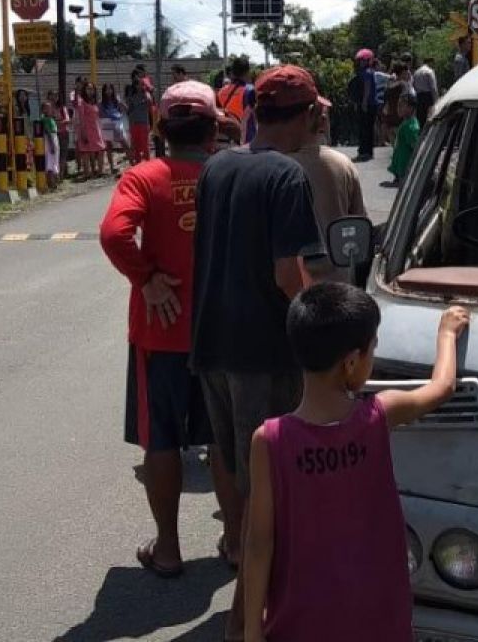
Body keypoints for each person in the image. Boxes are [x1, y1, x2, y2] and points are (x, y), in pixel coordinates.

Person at [243, 284, 471, 642]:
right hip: (377, 615)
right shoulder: (379, 416)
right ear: (351, 361)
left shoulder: (270, 440)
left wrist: (252, 630)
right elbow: (442, 387)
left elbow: (259, 543)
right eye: (372, 349)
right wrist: (446, 333)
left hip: (299, 624)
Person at [192, 64, 322, 641]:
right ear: (305, 115)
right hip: (263, 352)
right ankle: (249, 624)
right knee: (269, 489)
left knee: (242, 478)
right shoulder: (286, 176)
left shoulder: (217, 165)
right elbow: (287, 272)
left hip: (212, 345)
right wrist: (325, 324)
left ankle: (253, 606)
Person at [101, 80, 242, 578]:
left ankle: (167, 549)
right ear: (213, 130)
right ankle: (236, 542)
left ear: (159, 128)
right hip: (224, 332)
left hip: (159, 336)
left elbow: (114, 233)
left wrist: (147, 279)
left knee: (160, 438)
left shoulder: (143, 176)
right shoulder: (233, 174)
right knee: (223, 441)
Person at [288, 94, 367, 283]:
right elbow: (361, 223)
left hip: (293, 282)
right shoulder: (342, 164)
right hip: (339, 278)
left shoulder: (278, 166)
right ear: (321, 123)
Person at [385, 89, 420, 189]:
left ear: (411, 108)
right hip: (401, 166)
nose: (398, 108)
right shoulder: (406, 123)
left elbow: (414, 145)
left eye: (402, 105)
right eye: (398, 105)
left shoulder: (410, 126)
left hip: (405, 167)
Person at [217, 56, 257, 143]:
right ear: (247, 72)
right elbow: (255, 116)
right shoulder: (250, 91)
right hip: (246, 141)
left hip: (226, 141)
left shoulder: (221, 92)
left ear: (233, 73)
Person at [352, 49, 380, 163]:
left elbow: (367, 88)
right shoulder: (369, 71)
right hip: (371, 103)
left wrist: (363, 102)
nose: (361, 62)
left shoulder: (367, 72)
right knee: (367, 128)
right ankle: (367, 151)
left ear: (368, 60)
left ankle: (365, 151)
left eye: (363, 60)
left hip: (368, 104)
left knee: (365, 128)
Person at [75, 81, 106, 178]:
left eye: (92, 89)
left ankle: (100, 171)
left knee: (101, 150)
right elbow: (81, 118)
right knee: (86, 152)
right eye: (88, 89)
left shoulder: (94, 102)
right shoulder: (82, 102)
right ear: (85, 90)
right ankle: (87, 173)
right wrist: (83, 133)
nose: (90, 91)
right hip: (86, 130)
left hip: (96, 129)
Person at [125, 69, 154, 164]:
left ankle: (147, 164)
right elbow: (128, 108)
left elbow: (150, 104)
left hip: (143, 123)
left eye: (142, 84)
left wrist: (148, 90)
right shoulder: (131, 95)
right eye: (138, 84)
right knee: (136, 146)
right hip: (134, 123)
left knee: (145, 146)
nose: (140, 86)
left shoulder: (146, 94)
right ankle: (138, 164)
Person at [100, 84, 127, 176]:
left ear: (112, 90)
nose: (108, 91)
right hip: (106, 121)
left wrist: (121, 104)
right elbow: (100, 114)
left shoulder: (116, 100)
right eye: (106, 90)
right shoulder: (102, 102)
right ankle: (112, 167)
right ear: (103, 91)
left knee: (124, 142)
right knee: (109, 146)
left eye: (110, 89)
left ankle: (132, 162)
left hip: (116, 121)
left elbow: (125, 108)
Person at [412, 56, 439, 127]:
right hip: (428, 97)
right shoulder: (430, 71)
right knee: (429, 117)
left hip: (419, 97)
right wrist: (437, 101)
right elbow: (433, 87)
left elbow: (413, 85)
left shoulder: (416, 72)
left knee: (420, 119)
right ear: (430, 62)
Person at [40, 100, 61, 190]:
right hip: (50, 139)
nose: (49, 109)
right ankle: (51, 183)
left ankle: (56, 182)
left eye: (50, 108)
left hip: (55, 137)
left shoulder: (51, 118)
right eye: (47, 108)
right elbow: (48, 132)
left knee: (55, 161)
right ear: (43, 110)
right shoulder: (44, 119)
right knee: (50, 162)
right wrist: (52, 144)